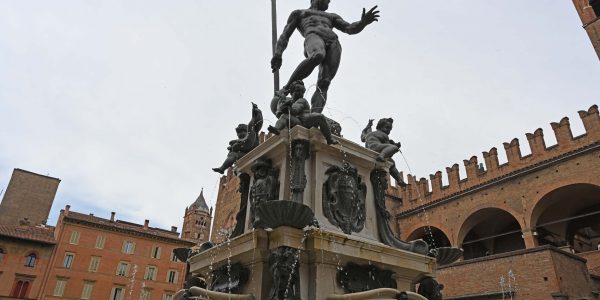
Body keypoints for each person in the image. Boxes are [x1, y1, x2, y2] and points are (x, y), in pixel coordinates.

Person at [271, 0, 380, 113]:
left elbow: (349, 28)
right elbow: (285, 35)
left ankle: (314, 116)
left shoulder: (332, 16)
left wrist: (363, 22)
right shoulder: (300, 13)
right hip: (313, 35)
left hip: (333, 41)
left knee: (324, 82)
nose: (328, 2)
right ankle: (286, 88)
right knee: (317, 55)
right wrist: (278, 54)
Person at [268, 80, 339, 145]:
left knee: (321, 117)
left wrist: (287, 106)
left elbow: (295, 110)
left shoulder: (302, 100)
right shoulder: (290, 101)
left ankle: (329, 138)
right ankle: (277, 129)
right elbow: (279, 113)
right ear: (292, 92)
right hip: (298, 121)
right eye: (298, 91)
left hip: (306, 121)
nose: (300, 93)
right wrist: (282, 100)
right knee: (284, 116)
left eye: (302, 92)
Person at [212, 103, 263, 174]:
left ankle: (223, 168)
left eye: (242, 132)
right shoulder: (238, 141)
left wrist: (257, 112)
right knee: (232, 154)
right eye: (238, 133)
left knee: (233, 154)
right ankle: (222, 168)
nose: (240, 134)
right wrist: (232, 147)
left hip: (255, 155)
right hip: (244, 157)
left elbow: (258, 122)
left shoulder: (252, 132)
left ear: (246, 130)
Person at [361, 118, 407, 186]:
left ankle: (399, 180)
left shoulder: (369, 134)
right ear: (380, 126)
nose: (389, 131)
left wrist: (368, 127)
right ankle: (381, 155)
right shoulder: (384, 135)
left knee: (391, 162)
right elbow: (389, 149)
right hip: (376, 148)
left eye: (390, 129)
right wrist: (395, 145)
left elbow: (362, 138)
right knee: (394, 148)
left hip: (369, 149)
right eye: (387, 128)